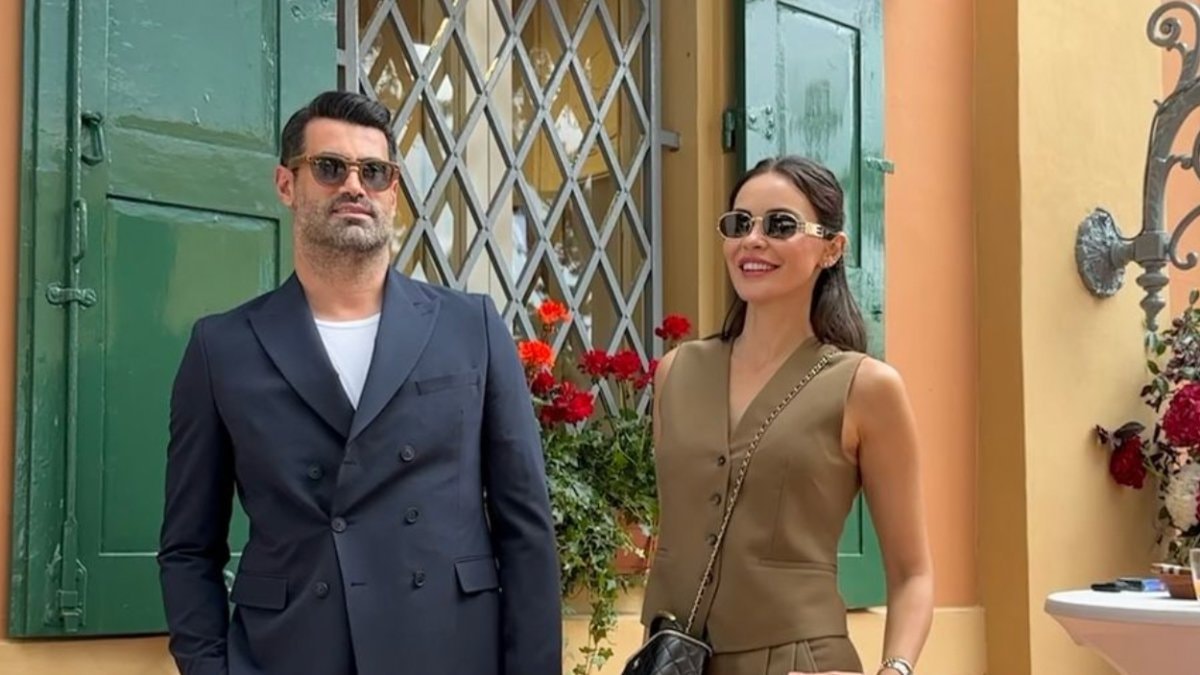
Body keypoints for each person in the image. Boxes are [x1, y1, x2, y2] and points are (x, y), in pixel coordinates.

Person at [157, 91, 562, 675]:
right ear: (286, 184)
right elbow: (188, 547)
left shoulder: (471, 327)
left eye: (373, 172)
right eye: (329, 167)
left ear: (392, 191)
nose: (354, 186)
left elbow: (527, 529)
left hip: (449, 651)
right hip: (288, 655)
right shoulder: (222, 348)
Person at [641, 156, 933, 675]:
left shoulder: (866, 388)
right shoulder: (676, 373)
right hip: (673, 660)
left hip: (800, 663)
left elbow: (913, 574)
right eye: (739, 224)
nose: (752, 240)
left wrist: (895, 671)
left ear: (831, 249)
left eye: (780, 225)